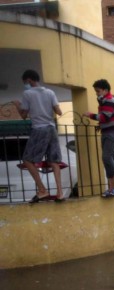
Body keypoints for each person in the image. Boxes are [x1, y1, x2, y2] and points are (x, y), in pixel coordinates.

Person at [13, 69, 65, 203]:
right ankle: (60, 193)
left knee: (27, 160)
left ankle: (42, 190)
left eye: (25, 82)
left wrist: (18, 105)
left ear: (29, 80)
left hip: (39, 129)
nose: (25, 84)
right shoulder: (50, 92)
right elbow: (58, 111)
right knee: (54, 161)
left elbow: (24, 115)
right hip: (52, 129)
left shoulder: (27, 94)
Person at [83, 79, 114, 198]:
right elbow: (105, 119)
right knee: (106, 158)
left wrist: (90, 115)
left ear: (105, 90)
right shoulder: (103, 100)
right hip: (108, 132)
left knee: (106, 157)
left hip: (113, 132)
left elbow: (105, 117)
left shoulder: (109, 100)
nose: (97, 93)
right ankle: (111, 187)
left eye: (98, 91)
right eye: (96, 92)